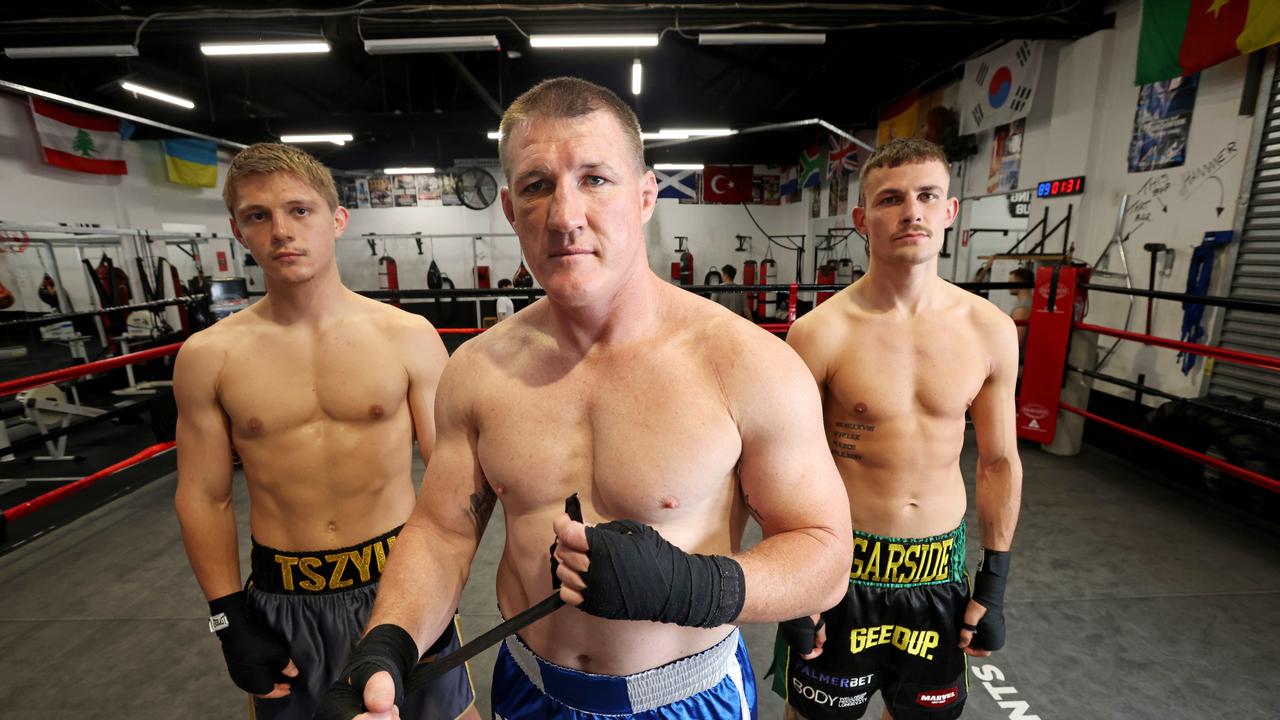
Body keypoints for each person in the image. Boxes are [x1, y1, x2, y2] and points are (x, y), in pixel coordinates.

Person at [315, 76, 852, 720]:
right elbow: (442, 530)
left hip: (683, 697)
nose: (565, 216)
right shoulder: (478, 370)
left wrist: (690, 587)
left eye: (595, 179)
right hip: (530, 688)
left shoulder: (747, 365)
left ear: (646, 195)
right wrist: (387, 643)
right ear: (511, 209)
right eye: (538, 185)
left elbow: (824, 556)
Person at [172, 143, 477, 720]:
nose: (281, 230)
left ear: (337, 219)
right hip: (282, 600)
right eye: (258, 216)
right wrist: (228, 617)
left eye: (300, 210)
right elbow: (204, 496)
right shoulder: (209, 357)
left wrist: (437, 592)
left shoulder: (407, 337)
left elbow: (452, 480)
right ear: (238, 232)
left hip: (399, 585)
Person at [776, 137, 1023, 720]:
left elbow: (999, 462)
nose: (911, 211)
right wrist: (795, 582)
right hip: (842, 568)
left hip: (938, 572)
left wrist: (995, 583)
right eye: (890, 198)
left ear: (949, 211)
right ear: (862, 219)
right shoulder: (819, 334)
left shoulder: (989, 330)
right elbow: (786, 468)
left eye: (927, 195)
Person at [1008, 266, 1034, 351]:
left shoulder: (1021, 309)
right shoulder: (1032, 302)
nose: (1008, 285)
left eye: (1010, 282)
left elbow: (1017, 342)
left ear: (1020, 283)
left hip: (1018, 361)